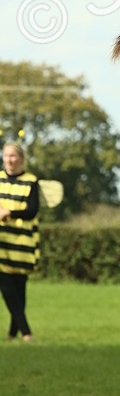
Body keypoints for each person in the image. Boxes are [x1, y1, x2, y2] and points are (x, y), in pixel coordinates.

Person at [0, 141, 40, 341]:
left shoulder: (31, 181)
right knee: (6, 287)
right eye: (6, 156)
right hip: (1, 243)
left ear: (21, 159)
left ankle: (12, 333)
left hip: (22, 243)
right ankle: (26, 332)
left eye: (13, 156)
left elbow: (32, 210)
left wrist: (9, 212)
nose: (9, 160)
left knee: (19, 289)